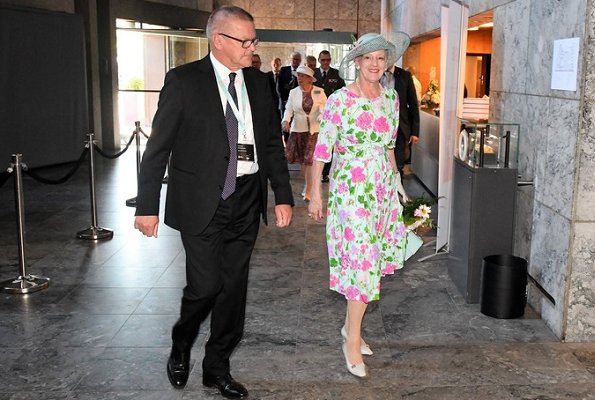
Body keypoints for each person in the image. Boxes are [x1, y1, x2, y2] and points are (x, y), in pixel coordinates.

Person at [133, 5, 294, 399]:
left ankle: (216, 368)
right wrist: (147, 205)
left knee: (233, 289)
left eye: (254, 39)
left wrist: (282, 196)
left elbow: (271, 144)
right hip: (201, 200)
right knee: (205, 287)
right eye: (245, 40)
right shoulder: (184, 81)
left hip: (246, 197)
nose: (252, 46)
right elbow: (158, 148)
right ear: (219, 40)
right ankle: (181, 340)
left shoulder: (258, 83)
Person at [308, 32, 411, 378]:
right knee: (363, 262)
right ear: (356, 61)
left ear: (387, 63)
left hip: (381, 187)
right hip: (351, 189)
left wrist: (397, 185)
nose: (375, 64)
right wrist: (315, 192)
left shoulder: (392, 98)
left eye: (381, 58)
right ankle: (351, 340)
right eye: (368, 58)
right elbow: (323, 149)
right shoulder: (339, 100)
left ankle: (350, 328)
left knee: (371, 261)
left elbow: (389, 147)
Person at [282, 65, 327, 201]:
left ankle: (309, 190)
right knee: (302, 161)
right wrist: (286, 121)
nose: (299, 78)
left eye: (302, 76)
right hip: (299, 130)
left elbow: (325, 109)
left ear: (309, 79)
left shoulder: (320, 91)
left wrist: (321, 116)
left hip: (314, 131)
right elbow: (288, 109)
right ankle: (309, 183)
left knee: (310, 161)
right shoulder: (293, 92)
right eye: (298, 76)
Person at [313, 50, 345, 182]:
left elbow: (342, 91)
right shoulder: (313, 73)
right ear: (319, 60)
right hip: (315, 114)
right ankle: (315, 171)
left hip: (331, 113)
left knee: (329, 143)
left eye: (328, 60)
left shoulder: (336, 74)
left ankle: (326, 172)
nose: (326, 62)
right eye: (323, 60)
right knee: (317, 143)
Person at [392, 65, 420, 175]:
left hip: (400, 129)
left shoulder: (405, 76)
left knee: (398, 166)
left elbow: (413, 104)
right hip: (380, 129)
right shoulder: (376, 75)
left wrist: (415, 131)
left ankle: (399, 191)